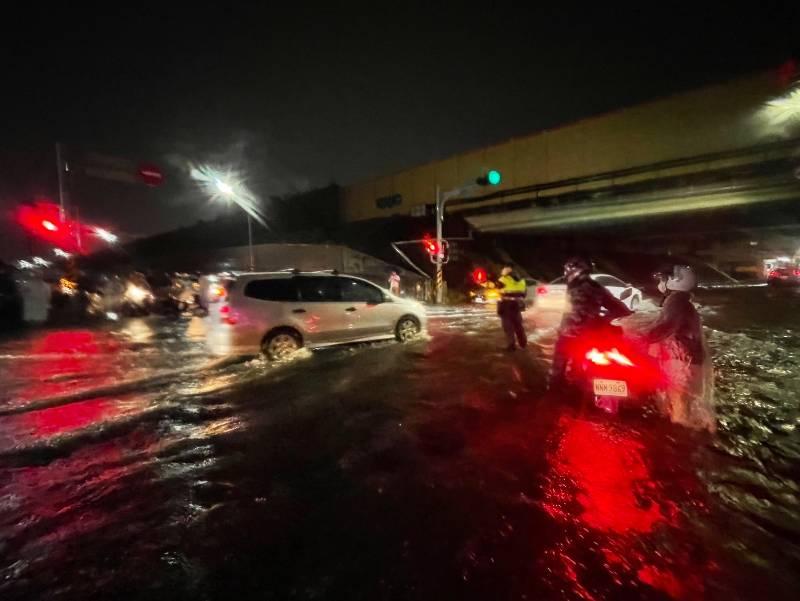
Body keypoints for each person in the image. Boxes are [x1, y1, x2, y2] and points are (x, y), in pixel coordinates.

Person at [645, 265, 715, 432]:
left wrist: (642, 338)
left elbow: (665, 326)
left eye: (665, 279)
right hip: (687, 361)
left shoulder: (675, 302)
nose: (662, 282)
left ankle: (683, 443)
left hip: (681, 362)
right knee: (682, 404)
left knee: (679, 407)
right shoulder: (682, 302)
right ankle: (698, 435)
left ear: (677, 282)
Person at [548, 257, 633, 388]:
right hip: (588, 336)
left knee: (558, 368)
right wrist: (604, 319)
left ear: (572, 271)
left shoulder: (573, 288)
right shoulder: (596, 288)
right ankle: (578, 389)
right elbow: (620, 309)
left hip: (569, 334)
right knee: (579, 367)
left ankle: (555, 393)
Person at [496, 266, 527, 350]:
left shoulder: (502, 279)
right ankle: (523, 344)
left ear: (505, 273)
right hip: (517, 305)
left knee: (508, 326)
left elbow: (498, 290)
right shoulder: (522, 281)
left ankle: (511, 345)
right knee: (518, 325)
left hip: (506, 305)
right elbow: (524, 294)